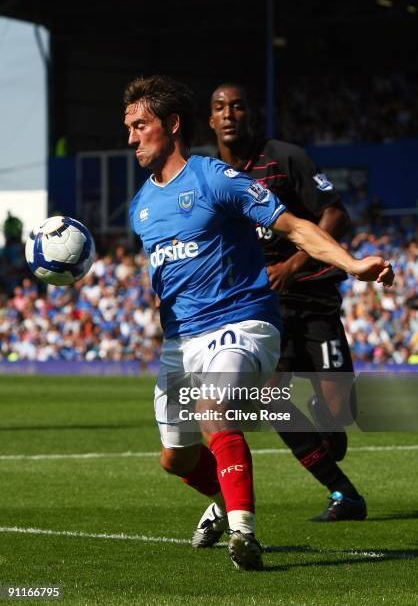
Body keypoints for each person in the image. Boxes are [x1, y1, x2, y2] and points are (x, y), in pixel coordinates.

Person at [124, 75, 393, 571]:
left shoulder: (215, 179)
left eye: (141, 125)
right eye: (129, 128)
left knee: (215, 408)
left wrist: (353, 266)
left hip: (242, 324)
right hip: (182, 343)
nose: (132, 137)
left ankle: (244, 533)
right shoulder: (141, 207)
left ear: (172, 125)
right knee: (175, 459)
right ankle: (227, 498)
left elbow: (295, 225)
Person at [207, 82, 372, 525]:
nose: (229, 114)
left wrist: (295, 264)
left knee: (338, 416)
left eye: (238, 106)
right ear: (210, 120)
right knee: (267, 395)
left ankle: (326, 419)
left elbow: (335, 212)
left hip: (312, 294)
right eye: (220, 108)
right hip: (260, 309)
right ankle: (341, 491)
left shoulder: (283, 157)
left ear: (251, 114)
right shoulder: (208, 176)